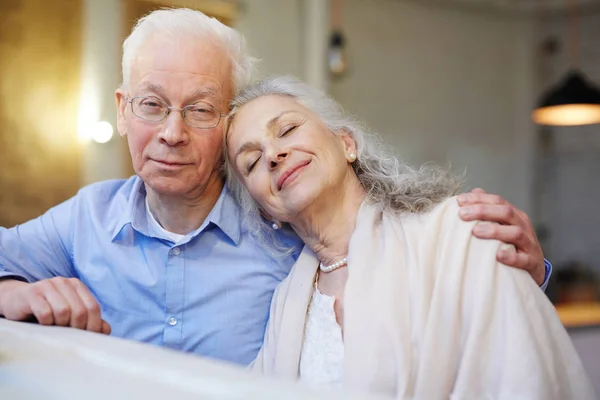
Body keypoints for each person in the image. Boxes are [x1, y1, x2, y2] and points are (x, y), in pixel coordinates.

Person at [0, 8, 549, 366]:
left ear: (226, 123)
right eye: (151, 105)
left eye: (200, 109)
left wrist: (522, 269)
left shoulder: (280, 224)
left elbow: (424, 277)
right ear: (122, 111)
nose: (171, 132)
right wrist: (15, 293)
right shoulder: (82, 220)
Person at [224, 76, 594, 398]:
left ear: (347, 143)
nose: (273, 154)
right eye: (252, 162)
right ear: (264, 210)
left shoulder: (459, 231)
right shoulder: (286, 304)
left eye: (287, 130)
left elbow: (526, 378)